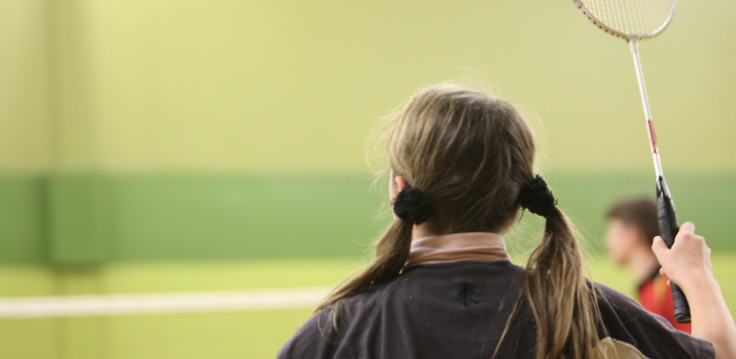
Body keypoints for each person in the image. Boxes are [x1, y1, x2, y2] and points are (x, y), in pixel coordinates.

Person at [276, 84, 736, 358]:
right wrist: (696, 278)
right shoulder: (582, 308)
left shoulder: (337, 332)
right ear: (521, 202)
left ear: (399, 189)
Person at [604, 197, 691, 333]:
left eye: (612, 232)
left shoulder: (664, 288)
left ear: (632, 234)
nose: (607, 240)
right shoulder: (653, 285)